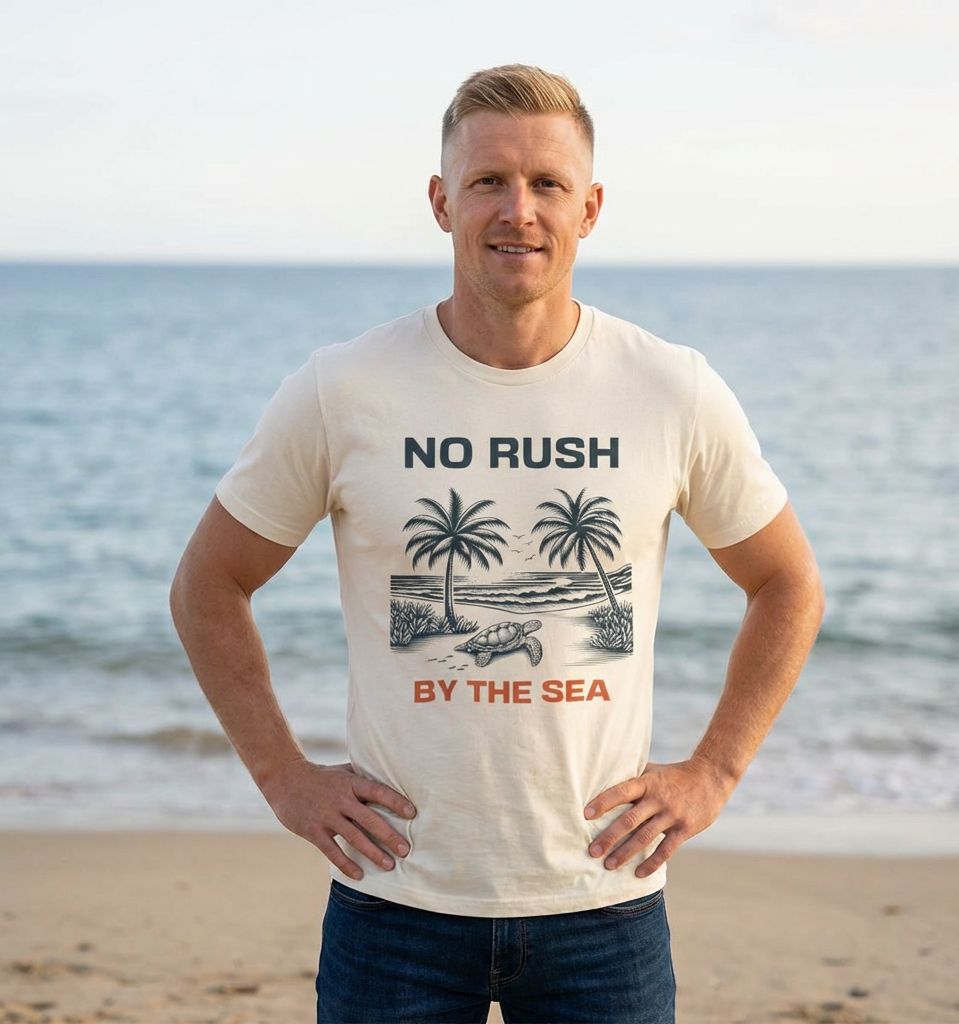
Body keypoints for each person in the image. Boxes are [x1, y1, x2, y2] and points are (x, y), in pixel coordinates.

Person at [170, 64, 825, 1024]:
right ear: (442, 202)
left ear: (590, 209)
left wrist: (714, 770)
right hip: (395, 904)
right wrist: (285, 778)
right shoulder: (343, 388)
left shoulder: (670, 389)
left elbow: (788, 584)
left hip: (603, 903)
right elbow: (208, 583)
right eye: (489, 182)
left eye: (548, 184)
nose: (519, 210)